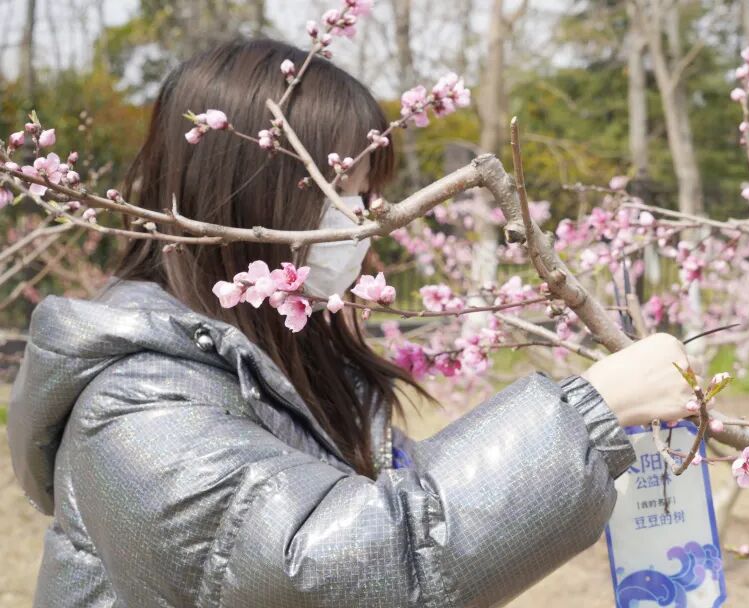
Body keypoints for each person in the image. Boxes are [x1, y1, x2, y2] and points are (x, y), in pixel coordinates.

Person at [7, 39, 694, 607]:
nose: (367, 218)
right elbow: (330, 567)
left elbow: (405, 504)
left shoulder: (290, 361)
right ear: (250, 190)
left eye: (371, 192)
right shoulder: (135, 402)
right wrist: (588, 415)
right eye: (345, 190)